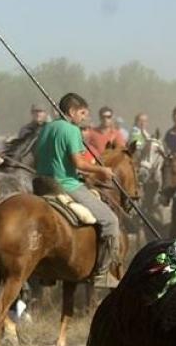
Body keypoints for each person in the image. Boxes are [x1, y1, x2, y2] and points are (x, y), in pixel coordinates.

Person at [35, 92, 120, 278]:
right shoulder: (71, 130)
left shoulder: (47, 127)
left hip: (41, 184)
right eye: (82, 113)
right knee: (110, 221)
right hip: (65, 185)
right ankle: (103, 272)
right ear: (72, 111)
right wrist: (102, 171)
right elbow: (79, 163)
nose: (84, 118)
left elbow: (40, 156)